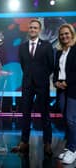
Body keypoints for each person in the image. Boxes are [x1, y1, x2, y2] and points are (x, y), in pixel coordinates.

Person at [11, 19, 54, 156]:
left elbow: (51, 65)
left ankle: (47, 143)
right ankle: (24, 142)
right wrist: (31, 76)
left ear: (39, 30)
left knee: (45, 114)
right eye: (31, 28)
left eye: (35, 28)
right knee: (25, 114)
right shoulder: (22, 47)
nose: (32, 30)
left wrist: (40, 77)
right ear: (28, 29)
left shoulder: (46, 45)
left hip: (42, 84)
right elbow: (24, 65)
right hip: (27, 84)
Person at [53, 24, 76, 164]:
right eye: (62, 34)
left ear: (72, 34)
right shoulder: (59, 52)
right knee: (65, 118)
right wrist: (56, 81)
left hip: (73, 87)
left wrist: (67, 82)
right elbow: (56, 70)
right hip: (61, 87)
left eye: (66, 34)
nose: (64, 36)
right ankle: (69, 147)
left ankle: (73, 150)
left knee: (71, 119)